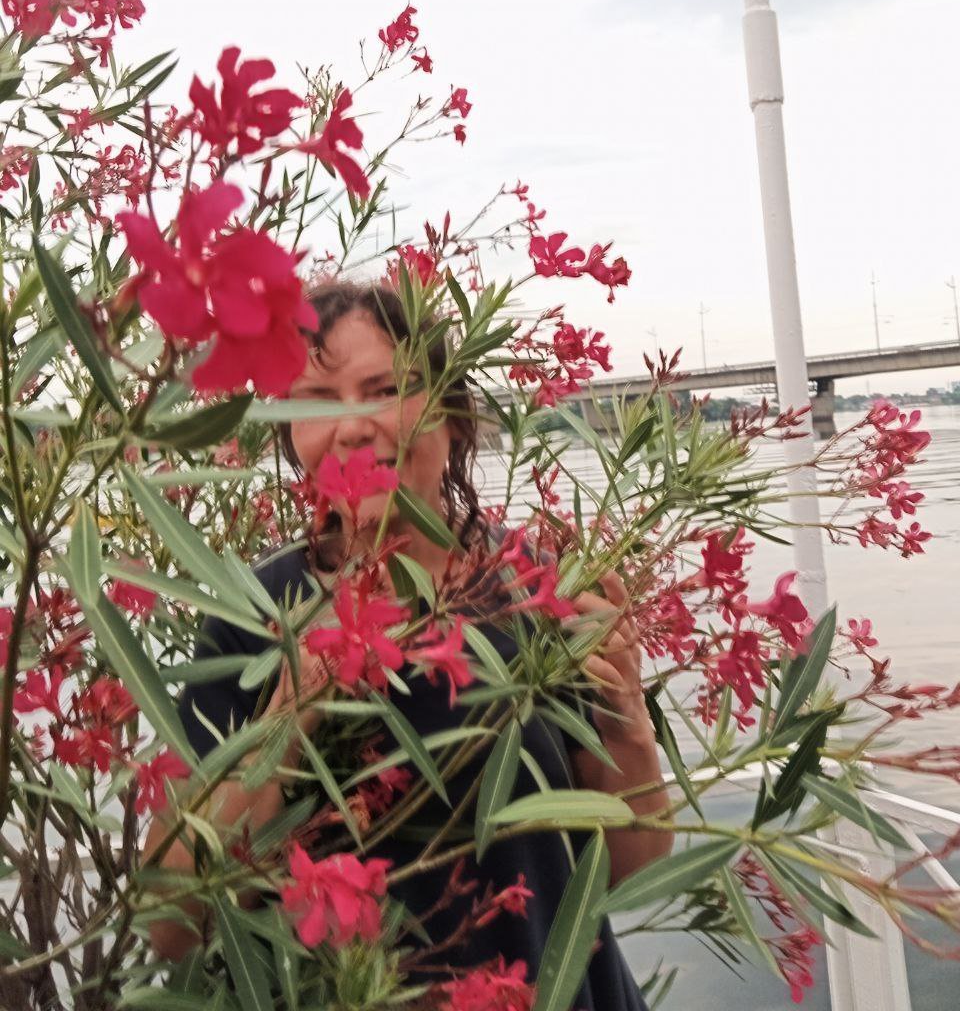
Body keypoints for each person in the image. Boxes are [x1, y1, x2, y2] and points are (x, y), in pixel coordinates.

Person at [144, 280, 674, 1008]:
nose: (352, 427)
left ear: (453, 417)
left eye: (386, 389)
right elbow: (171, 924)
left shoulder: (534, 587)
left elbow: (633, 866)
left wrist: (626, 718)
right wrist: (291, 716)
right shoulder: (254, 616)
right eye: (315, 401)